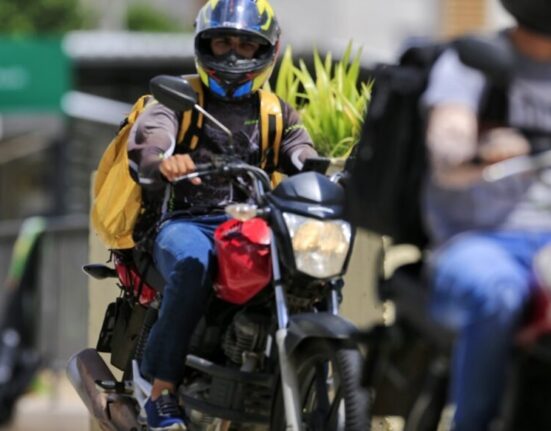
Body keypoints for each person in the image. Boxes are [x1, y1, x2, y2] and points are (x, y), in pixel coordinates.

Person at [127, 0, 316, 429]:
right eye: (223, 42)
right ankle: (159, 390)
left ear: (267, 50)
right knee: (194, 263)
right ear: (204, 44)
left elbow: (302, 153)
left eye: (246, 45)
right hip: (186, 223)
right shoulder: (179, 99)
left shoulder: (276, 113)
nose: (233, 55)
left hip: (253, 224)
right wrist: (162, 162)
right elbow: (150, 142)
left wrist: (327, 172)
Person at [422, 1, 551, 430]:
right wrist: (479, 147)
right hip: (476, 241)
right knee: (498, 294)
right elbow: (447, 145)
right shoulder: (472, 61)